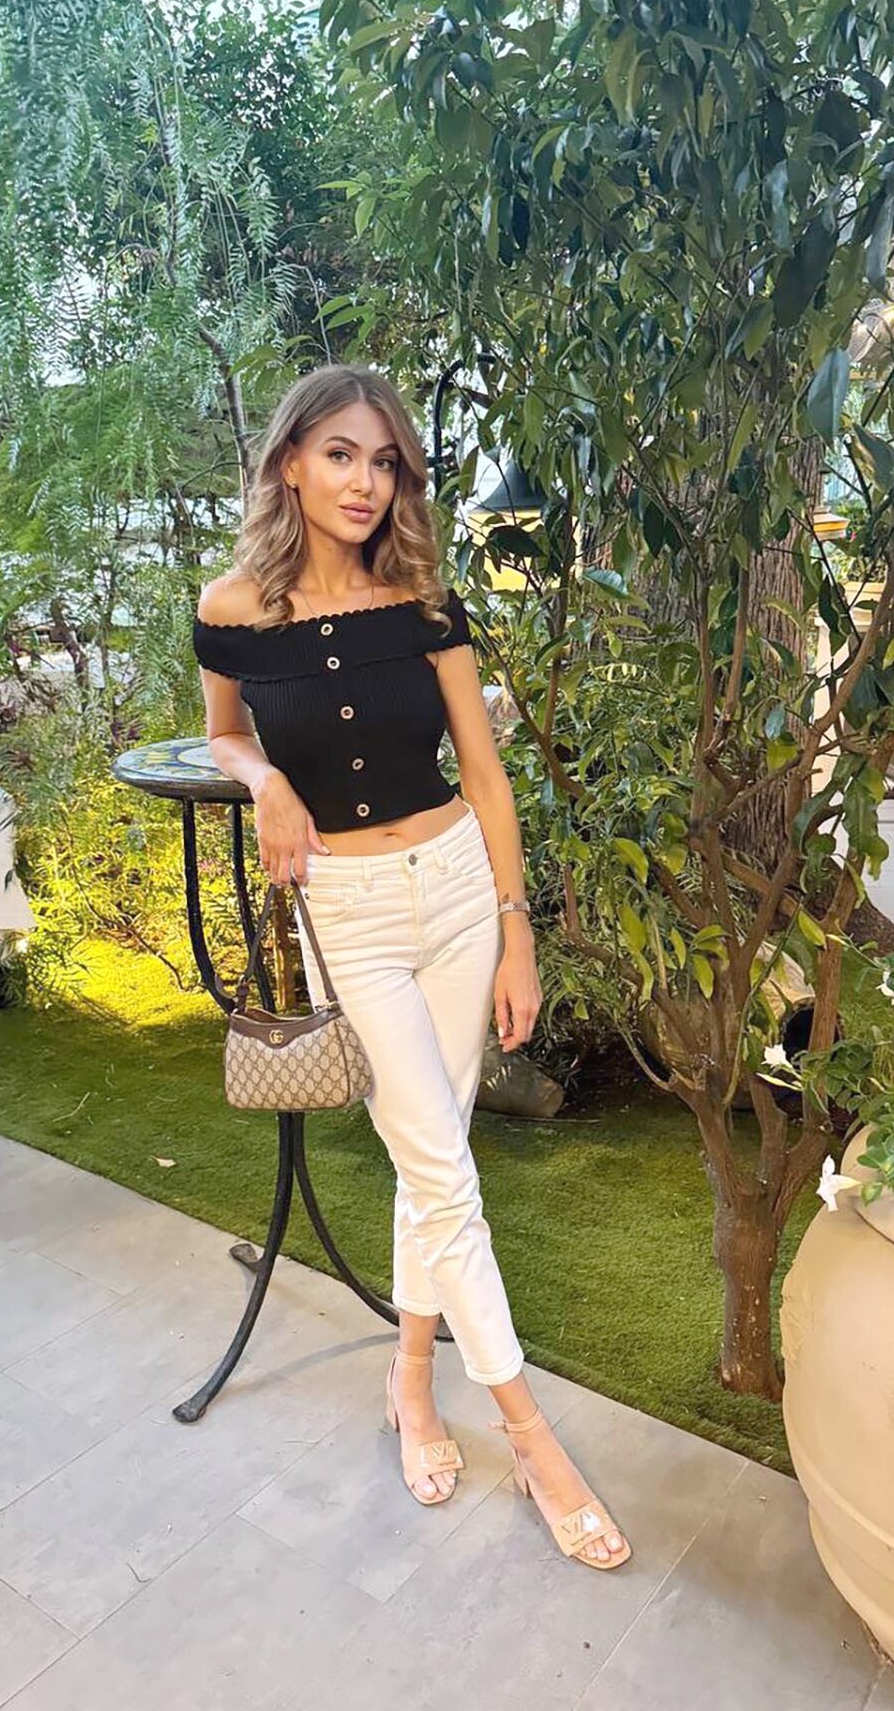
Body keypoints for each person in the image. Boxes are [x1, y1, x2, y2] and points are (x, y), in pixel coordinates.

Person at [192, 363, 629, 1570]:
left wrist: (517, 930)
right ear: (290, 462)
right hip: (348, 914)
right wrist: (267, 782)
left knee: (431, 1159)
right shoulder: (230, 607)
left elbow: (484, 774)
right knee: (439, 1164)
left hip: (456, 891)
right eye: (340, 454)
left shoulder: (424, 601)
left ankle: (412, 1378)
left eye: (384, 462)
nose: (364, 482)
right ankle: (533, 1438)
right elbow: (222, 732)